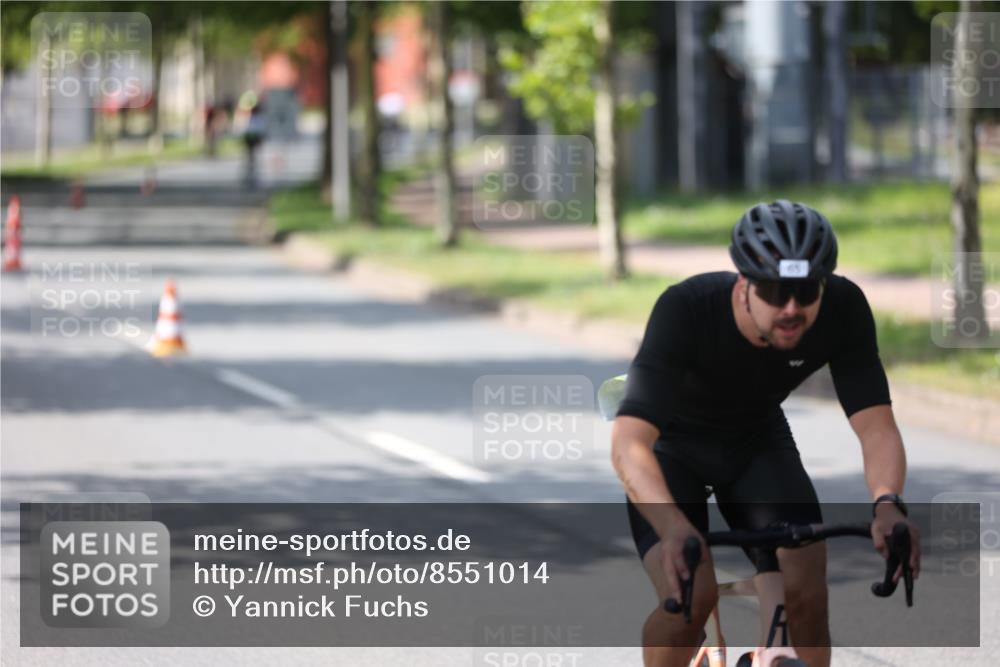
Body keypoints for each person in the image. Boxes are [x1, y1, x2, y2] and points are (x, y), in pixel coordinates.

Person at [610, 200, 921, 667]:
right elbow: (628, 444)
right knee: (691, 597)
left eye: (806, 291)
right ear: (744, 285)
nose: (791, 308)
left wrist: (888, 503)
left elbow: (876, 427)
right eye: (775, 292)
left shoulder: (844, 309)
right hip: (672, 449)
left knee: (808, 594)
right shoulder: (687, 309)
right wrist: (672, 527)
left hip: (755, 441)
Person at [243, 103, 267, 189]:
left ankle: (250, 174)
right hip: (252, 139)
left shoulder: (254, 118)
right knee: (252, 159)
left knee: (252, 159)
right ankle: (250, 175)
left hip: (252, 139)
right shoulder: (258, 118)